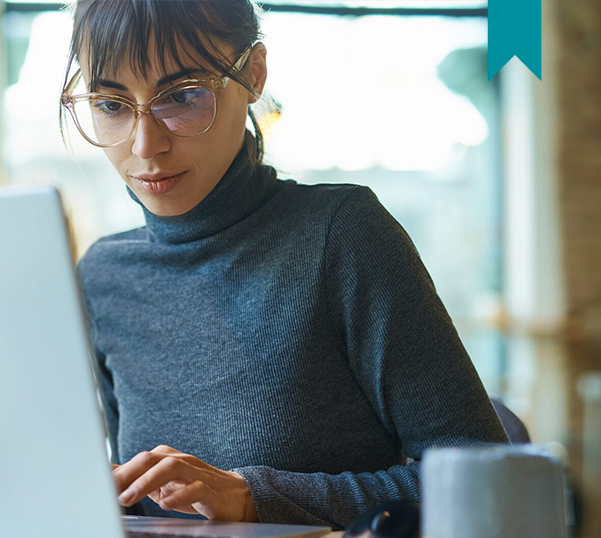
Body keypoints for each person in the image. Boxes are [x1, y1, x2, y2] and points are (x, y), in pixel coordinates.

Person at [60, 0, 510, 531]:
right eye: (110, 104)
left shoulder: (341, 233)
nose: (145, 144)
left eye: (182, 96)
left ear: (253, 73)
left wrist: (257, 497)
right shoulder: (104, 276)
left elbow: (488, 481)